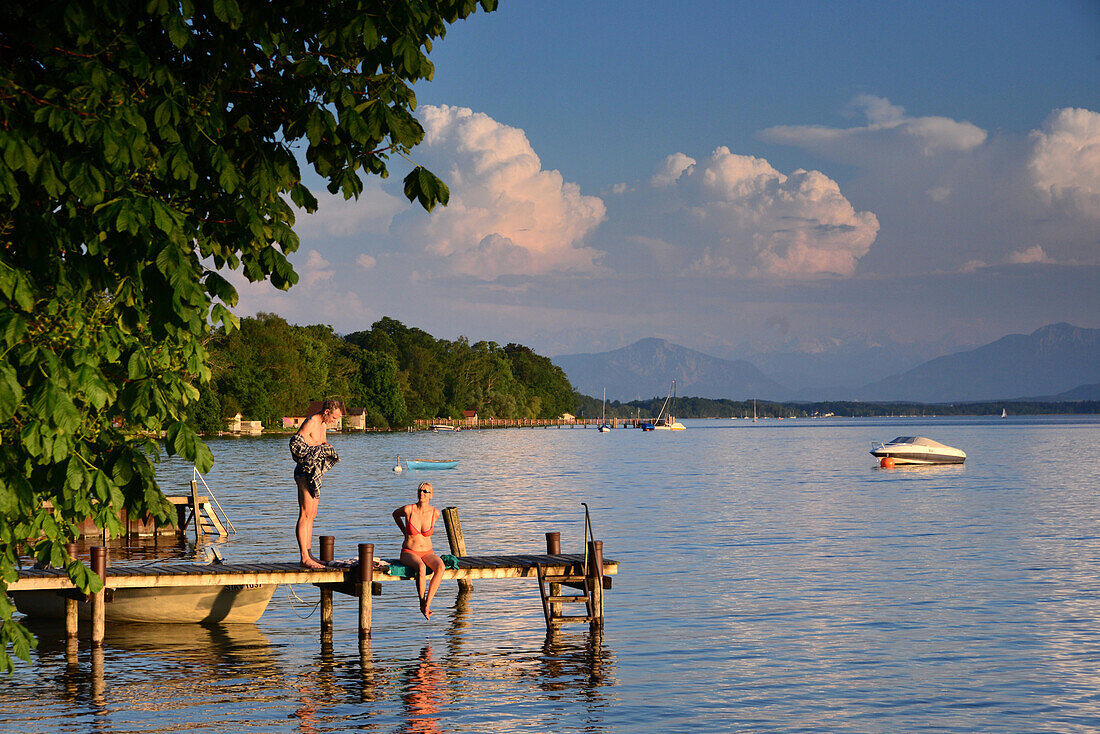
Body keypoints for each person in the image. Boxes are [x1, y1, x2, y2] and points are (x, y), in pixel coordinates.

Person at [290, 399, 343, 569]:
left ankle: (309, 553)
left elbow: (322, 444)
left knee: (312, 515)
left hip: (315, 473)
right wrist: (317, 449)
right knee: (305, 514)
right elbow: (296, 444)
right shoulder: (312, 421)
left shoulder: (323, 425)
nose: (335, 421)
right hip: (304, 473)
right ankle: (304, 557)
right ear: (327, 411)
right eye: (334, 417)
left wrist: (326, 448)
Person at [392, 482, 445, 620]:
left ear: (431, 495)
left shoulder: (435, 513)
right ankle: (422, 602)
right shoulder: (409, 509)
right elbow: (395, 514)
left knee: (440, 567)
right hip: (409, 552)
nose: (422, 493)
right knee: (421, 567)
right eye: (420, 491)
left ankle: (428, 603)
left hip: (428, 552)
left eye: (425, 491)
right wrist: (404, 531)